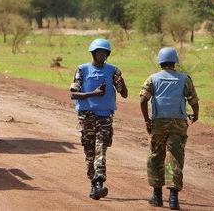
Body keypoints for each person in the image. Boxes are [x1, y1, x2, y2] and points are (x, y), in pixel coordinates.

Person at [140, 47, 200, 210]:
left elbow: (143, 100)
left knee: (156, 156)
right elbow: (193, 100)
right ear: (175, 62)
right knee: (175, 157)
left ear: (160, 62)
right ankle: (173, 198)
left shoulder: (152, 78)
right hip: (178, 123)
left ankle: (157, 196)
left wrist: (147, 120)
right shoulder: (184, 78)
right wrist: (195, 115)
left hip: (158, 123)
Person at [69, 38, 128, 200]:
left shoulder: (113, 71)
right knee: (89, 153)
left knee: (100, 148)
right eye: (99, 52)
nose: (102, 55)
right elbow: (73, 94)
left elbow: (124, 94)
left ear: (108, 54)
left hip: (105, 117)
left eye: (104, 53)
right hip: (86, 117)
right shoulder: (82, 70)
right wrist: (93, 94)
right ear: (93, 53)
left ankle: (99, 182)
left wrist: (121, 83)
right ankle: (94, 184)